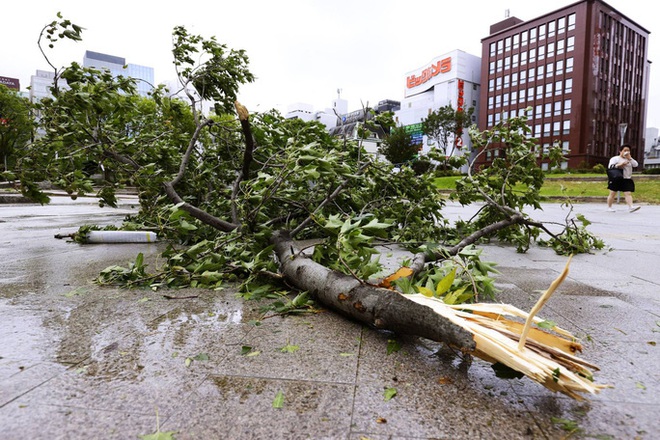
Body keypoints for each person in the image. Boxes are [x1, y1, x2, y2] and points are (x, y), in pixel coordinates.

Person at [607, 144, 640, 212]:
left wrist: (630, 158)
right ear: (620, 151)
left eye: (628, 151)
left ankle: (631, 207)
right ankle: (609, 207)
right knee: (612, 193)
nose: (626, 152)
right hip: (617, 178)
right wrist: (620, 164)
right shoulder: (615, 158)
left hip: (626, 178)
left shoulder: (630, 159)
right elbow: (610, 167)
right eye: (625, 150)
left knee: (628, 193)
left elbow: (636, 165)